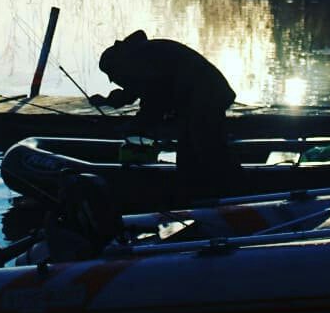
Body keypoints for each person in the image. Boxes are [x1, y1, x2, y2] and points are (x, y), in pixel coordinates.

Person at [89, 30, 236, 201]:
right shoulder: (138, 57)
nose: (114, 80)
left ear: (119, 66)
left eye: (112, 76)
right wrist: (107, 101)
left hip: (207, 97)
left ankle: (233, 192)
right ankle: (195, 194)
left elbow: (155, 100)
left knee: (208, 148)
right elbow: (134, 92)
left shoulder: (142, 59)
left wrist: (137, 125)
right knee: (188, 152)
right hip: (198, 98)